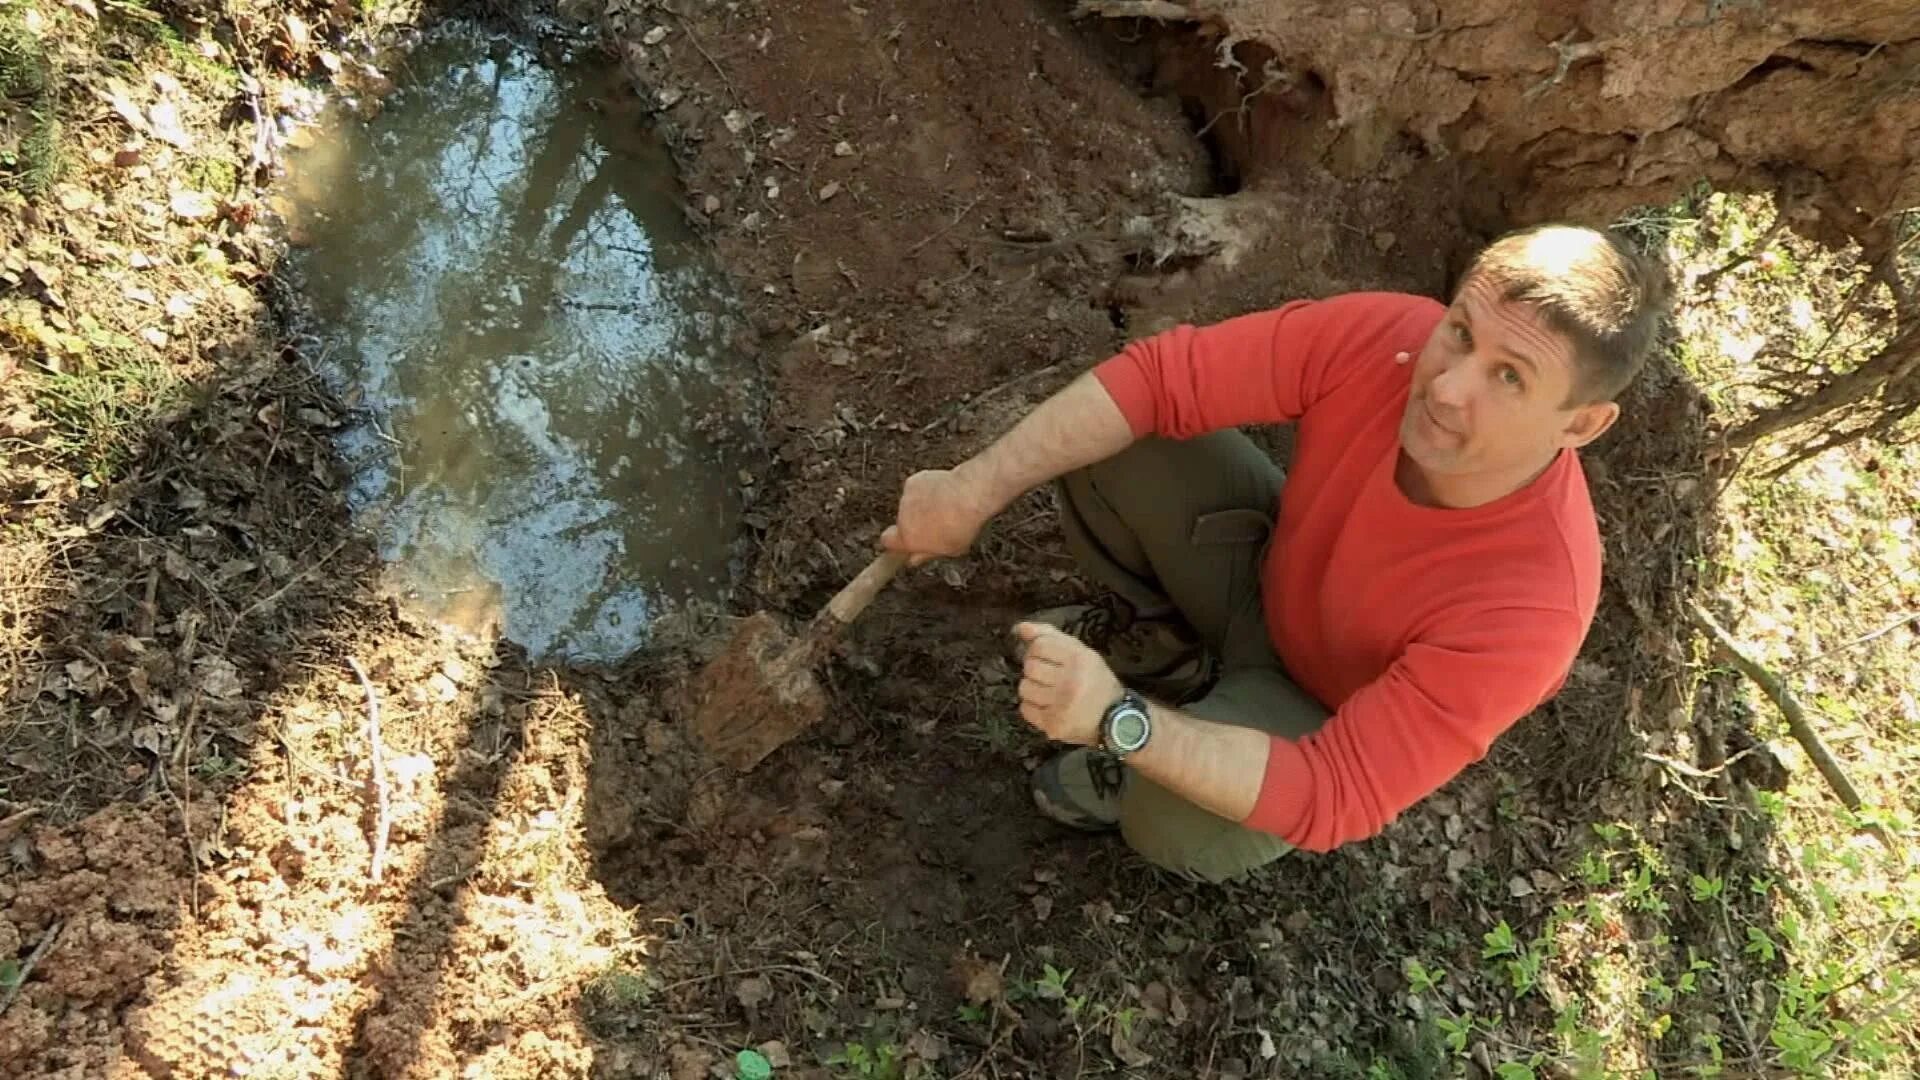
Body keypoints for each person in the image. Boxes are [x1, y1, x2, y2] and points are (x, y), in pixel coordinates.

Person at [881, 224, 1672, 883]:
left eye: (1509, 377)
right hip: (1267, 580)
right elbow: (1157, 380)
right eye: (1460, 331)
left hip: (1317, 712)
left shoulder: (1532, 605)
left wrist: (1118, 722)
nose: (1447, 387)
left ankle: (1149, 720)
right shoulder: (1388, 339)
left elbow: (1335, 792)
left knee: (1175, 823)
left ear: (1579, 425)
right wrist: (970, 489)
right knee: (1124, 435)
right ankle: (1166, 652)